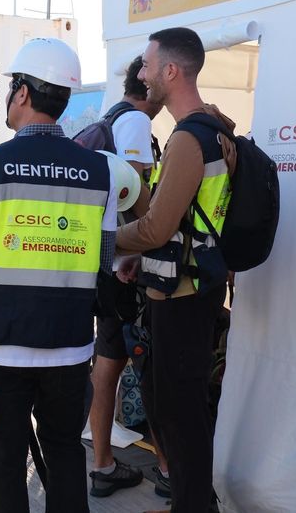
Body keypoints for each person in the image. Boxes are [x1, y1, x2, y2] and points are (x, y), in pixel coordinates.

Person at [0, 38, 117, 513]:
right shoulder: (100, 172)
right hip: (71, 345)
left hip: (2, 347)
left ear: (21, 93)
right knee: (63, 451)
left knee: (3, 459)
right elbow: (105, 264)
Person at [114, 27, 236, 513]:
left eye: (147, 65)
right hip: (194, 286)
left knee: (179, 412)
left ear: (170, 70)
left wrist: (101, 241)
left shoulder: (189, 139)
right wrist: (136, 258)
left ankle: (193, 505)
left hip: (183, 296)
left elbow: (156, 229)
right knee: (180, 408)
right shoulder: (216, 128)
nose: (141, 74)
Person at [88, 55, 168, 498]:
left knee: (108, 364)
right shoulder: (136, 122)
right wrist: (156, 235)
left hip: (106, 262)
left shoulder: (109, 118)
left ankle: (102, 465)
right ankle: (168, 467)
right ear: (147, 81)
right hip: (127, 268)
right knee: (150, 366)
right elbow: (139, 195)